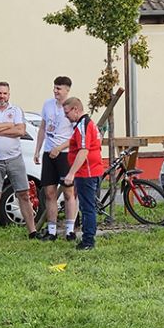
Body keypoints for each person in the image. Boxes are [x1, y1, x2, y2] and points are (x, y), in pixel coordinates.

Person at [0, 81, 37, 243]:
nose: (2, 96)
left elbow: (20, 130)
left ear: (9, 95)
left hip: (14, 158)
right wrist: (8, 125)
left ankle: (32, 231)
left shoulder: (16, 110)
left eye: (5, 93)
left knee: (24, 194)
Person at [51, 97, 103, 250]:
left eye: (67, 112)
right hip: (92, 170)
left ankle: (88, 241)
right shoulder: (86, 124)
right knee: (88, 206)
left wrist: (71, 173)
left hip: (86, 172)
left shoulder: (83, 126)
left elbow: (84, 150)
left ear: (75, 109)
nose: (66, 116)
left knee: (87, 208)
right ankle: (88, 239)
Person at [34, 76, 78, 241]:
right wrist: (38, 150)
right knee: (50, 192)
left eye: (59, 88)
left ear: (67, 90)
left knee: (68, 192)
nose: (55, 91)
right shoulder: (48, 104)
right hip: (48, 153)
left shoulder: (72, 107)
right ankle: (51, 230)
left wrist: (60, 148)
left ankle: (69, 229)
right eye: (54, 88)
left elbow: (75, 137)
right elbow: (43, 128)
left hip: (64, 154)